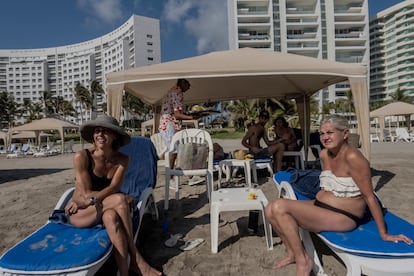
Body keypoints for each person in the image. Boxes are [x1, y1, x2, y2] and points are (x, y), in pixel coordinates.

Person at [265, 114, 413, 276]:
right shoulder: (324, 155)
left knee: (280, 207)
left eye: (330, 132)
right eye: (322, 133)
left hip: (344, 216)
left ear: (345, 133)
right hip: (321, 206)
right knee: (270, 209)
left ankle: (303, 261)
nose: (325, 137)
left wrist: (384, 234)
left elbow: (369, 196)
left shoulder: (354, 158)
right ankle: (292, 253)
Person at [65, 115, 161, 276]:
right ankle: (137, 257)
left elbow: (115, 187)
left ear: (115, 135)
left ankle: (124, 271)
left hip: (102, 208)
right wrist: (117, 197)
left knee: (111, 218)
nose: (100, 135)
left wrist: (117, 196)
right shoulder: (81, 157)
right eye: (97, 131)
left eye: (106, 131)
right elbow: (87, 194)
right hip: (80, 212)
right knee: (120, 200)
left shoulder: (123, 159)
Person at [158, 78, 202, 185]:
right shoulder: (177, 93)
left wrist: (189, 115)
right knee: (174, 150)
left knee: (178, 150)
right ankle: (171, 178)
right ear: (181, 82)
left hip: (168, 124)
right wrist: (192, 117)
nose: (189, 86)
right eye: (187, 83)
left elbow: (176, 113)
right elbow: (177, 115)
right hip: (169, 124)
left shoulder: (173, 91)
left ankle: (188, 176)